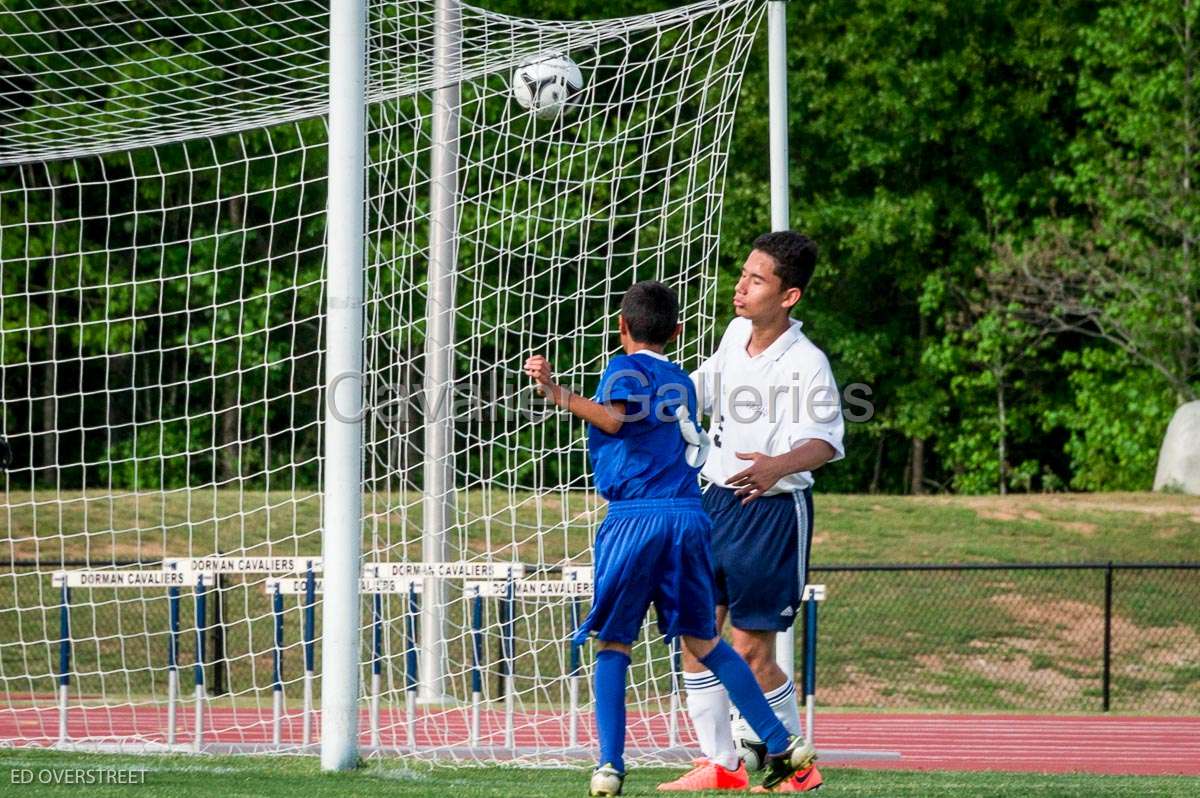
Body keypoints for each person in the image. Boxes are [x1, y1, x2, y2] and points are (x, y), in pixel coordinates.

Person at [524, 280, 815, 797]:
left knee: (614, 642)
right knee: (705, 641)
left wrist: (557, 393)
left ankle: (610, 766)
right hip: (690, 517)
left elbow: (614, 419)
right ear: (678, 332)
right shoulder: (680, 378)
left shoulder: (624, 369)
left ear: (621, 328)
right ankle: (780, 740)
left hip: (636, 517)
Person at [658, 232, 844, 793]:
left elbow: (826, 443)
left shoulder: (809, 363)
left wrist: (774, 467)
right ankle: (722, 764)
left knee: (750, 652)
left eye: (756, 279)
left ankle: (794, 764)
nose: (740, 287)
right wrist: (652, 395)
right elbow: (699, 391)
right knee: (695, 635)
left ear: (788, 297)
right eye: (743, 274)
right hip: (712, 502)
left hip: (771, 512)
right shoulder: (736, 333)